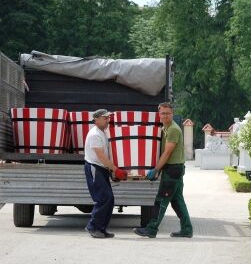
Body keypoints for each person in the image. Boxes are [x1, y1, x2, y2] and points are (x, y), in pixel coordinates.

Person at [133, 102, 193, 238]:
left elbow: (167, 153)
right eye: (163, 113)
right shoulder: (165, 128)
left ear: (172, 114)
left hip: (173, 169)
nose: (165, 115)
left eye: (168, 113)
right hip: (173, 168)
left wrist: (156, 169)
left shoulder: (173, 129)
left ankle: (151, 229)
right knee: (177, 201)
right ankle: (187, 229)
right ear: (158, 114)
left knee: (161, 200)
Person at [83, 109, 126, 238]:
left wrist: (111, 170)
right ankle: (93, 227)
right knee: (103, 198)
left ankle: (101, 228)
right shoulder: (95, 134)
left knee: (109, 199)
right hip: (95, 167)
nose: (108, 120)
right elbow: (101, 157)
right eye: (105, 118)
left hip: (101, 168)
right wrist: (115, 169)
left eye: (108, 118)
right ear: (96, 120)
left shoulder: (102, 133)